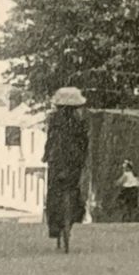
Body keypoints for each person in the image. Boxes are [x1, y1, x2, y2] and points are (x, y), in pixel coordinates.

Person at [43, 85, 90, 252]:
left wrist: (46, 154)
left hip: (57, 160)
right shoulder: (79, 121)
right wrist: (84, 158)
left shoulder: (54, 119)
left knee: (54, 190)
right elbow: (84, 142)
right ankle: (73, 216)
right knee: (74, 188)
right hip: (73, 160)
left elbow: (51, 139)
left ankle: (55, 226)